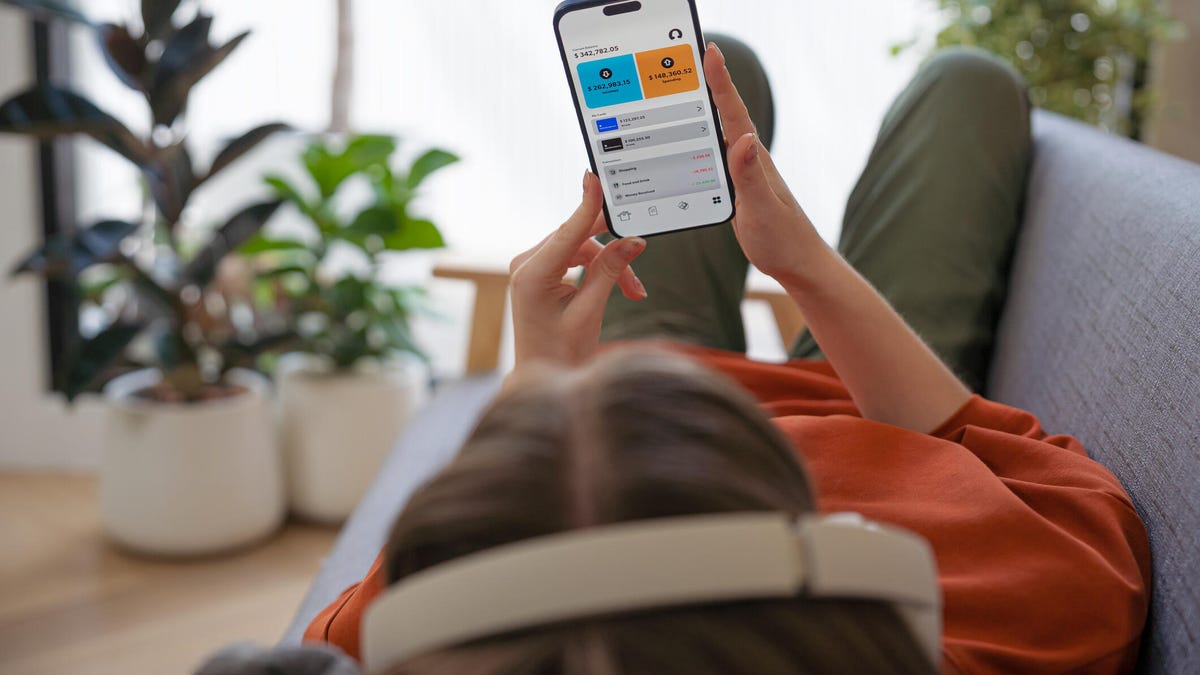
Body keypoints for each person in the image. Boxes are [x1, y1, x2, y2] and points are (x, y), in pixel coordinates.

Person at [299, 39, 1151, 674]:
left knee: (708, 76)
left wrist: (538, 404)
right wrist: (807, 266)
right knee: (968, 84)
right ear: (827, 541)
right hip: (885, 411)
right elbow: (1063, 494)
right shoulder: (1001, 609)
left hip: (613, 423)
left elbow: (347, 635)